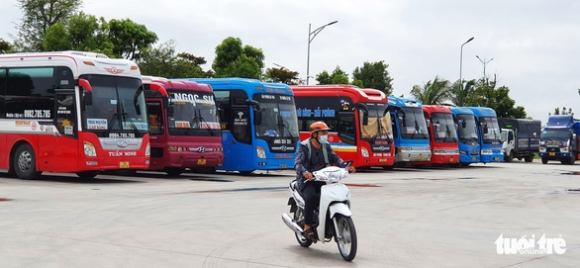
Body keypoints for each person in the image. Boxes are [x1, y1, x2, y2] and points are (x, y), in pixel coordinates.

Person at [294, 121, 355, 237]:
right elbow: (298, 164)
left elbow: (336, 158)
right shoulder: (304, 147)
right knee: (311, 197)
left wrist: (345, 166)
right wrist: (305, 172)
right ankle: (307, 225)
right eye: (323, 133)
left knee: (335, 194)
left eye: (326, 132)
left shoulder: (326, 146)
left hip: (324, 179)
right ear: (315, 134)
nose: (325, 135)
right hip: (308, 181)